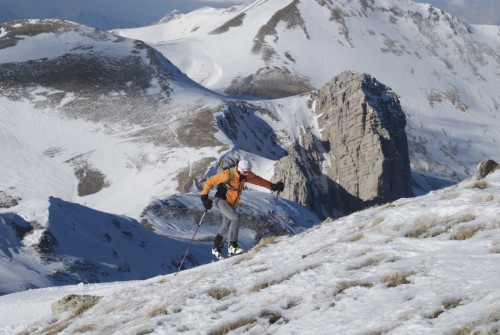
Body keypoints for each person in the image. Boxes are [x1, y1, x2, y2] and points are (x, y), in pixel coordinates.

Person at [201, 159, 284, 259]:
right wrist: (204, 197)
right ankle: (232, 244)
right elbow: (210, 181)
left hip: (232, 203)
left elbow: (258, 180)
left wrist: (272, 186)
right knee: (235, 218)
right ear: (239, 169)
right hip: (221, 200)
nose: (246, 174)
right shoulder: (227, 174)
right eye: (245, 172)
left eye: (248, 171)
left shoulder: (246, 174)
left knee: (226, 224)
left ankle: (216, 247)